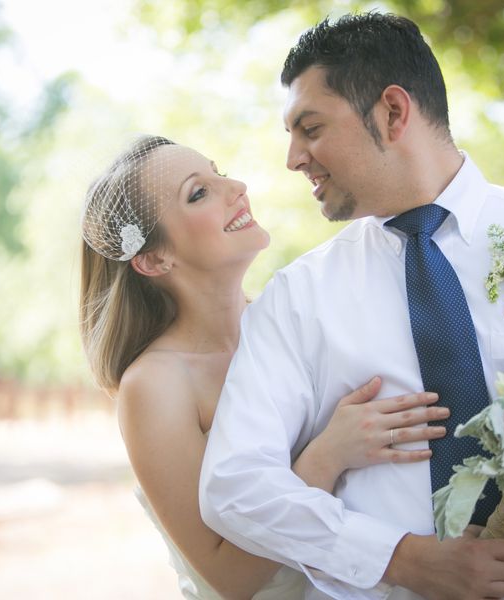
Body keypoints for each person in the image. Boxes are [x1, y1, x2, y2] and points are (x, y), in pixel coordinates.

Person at [199, 12, 504, 600]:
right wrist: (400, 559)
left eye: (309, 128)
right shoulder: (296, 298)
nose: (293, 157)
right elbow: (234, 484)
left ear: (392, 112)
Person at [78, 135, 450, 599]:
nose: (236, 186)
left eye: (219, 171)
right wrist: (327, 455)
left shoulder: (292, 324)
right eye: (199, 192)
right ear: (155, 258)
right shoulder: (156, 386)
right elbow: (230, 578)